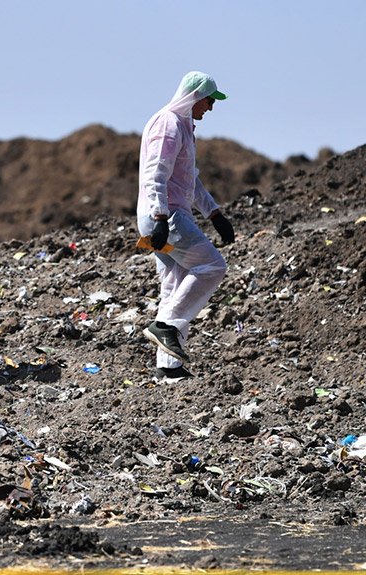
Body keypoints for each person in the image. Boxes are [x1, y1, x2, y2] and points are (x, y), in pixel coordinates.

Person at [137, 71, 235, 378]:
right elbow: (155, 173)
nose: (210, 108)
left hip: (166, 217)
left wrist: (215, 214)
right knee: (213, 267)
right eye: (208, 100)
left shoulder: (183, 127)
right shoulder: (168, 124)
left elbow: (190, 179)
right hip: (166, 218)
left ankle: (169, 369)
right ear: (194, 97)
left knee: (174, 286)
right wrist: (160, 218)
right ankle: (164, 326)